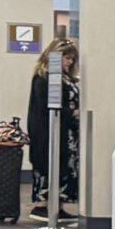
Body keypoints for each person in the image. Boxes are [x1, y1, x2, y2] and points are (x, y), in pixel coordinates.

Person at [26, 40, 80, 217]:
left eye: (72, 59)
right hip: (50, 132)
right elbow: (48, 106)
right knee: (50, 164)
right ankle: (44, 205)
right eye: (66, 58)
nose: (69, 62)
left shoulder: (65, 78)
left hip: (67, 131)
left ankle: (58, 205)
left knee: (66, 166)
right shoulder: (43, 78)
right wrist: (73, 113)